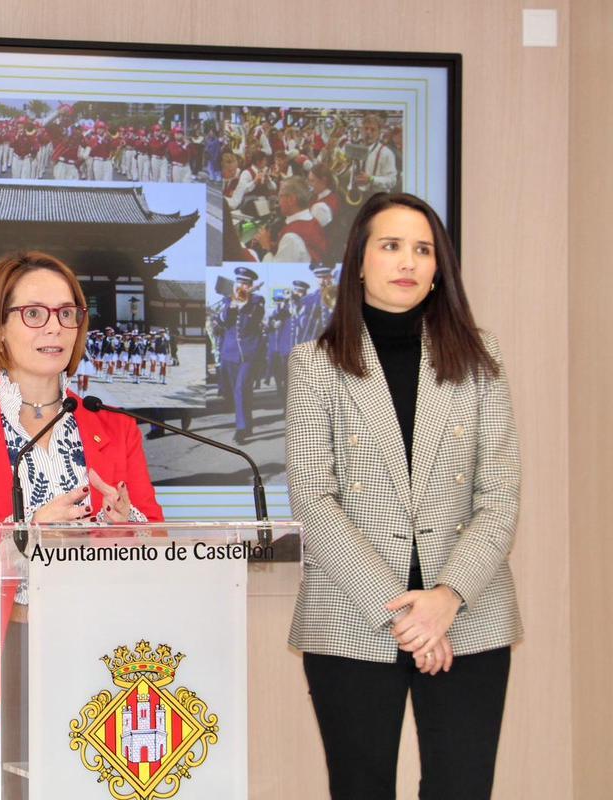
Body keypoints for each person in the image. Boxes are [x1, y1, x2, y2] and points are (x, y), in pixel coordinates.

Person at [285, 192, 520, 799]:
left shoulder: (481, 356)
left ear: (440, 268)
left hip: (469, 615)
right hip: (352, 614)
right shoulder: (314, 364)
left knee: (462, 788)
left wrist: (446, 598)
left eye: (423, 249)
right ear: (359, 262)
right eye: (391, 246)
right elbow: (313, 498)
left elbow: (500, 495)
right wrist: (407, 616)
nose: (408, 261)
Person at [0, 251, 163, 800]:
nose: (55, 327)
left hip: (98, 658)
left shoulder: (114, 429)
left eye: (67, 313)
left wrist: (127, 522)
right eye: (34, 313)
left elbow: (158, 540)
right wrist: (25, 531)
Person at [213, 266, 265, 444]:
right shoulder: (228, 301)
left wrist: (245, 302)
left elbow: (252, 322)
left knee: (241, 389)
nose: (240, 286)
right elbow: (221, 322)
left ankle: (241, 429)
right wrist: (234, 303)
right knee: (239, 391)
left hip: (248, 354)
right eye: (238, 283)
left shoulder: (257, 301)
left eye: (244, 284)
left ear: (250, 286)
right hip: (229, 353)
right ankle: (247, 424)